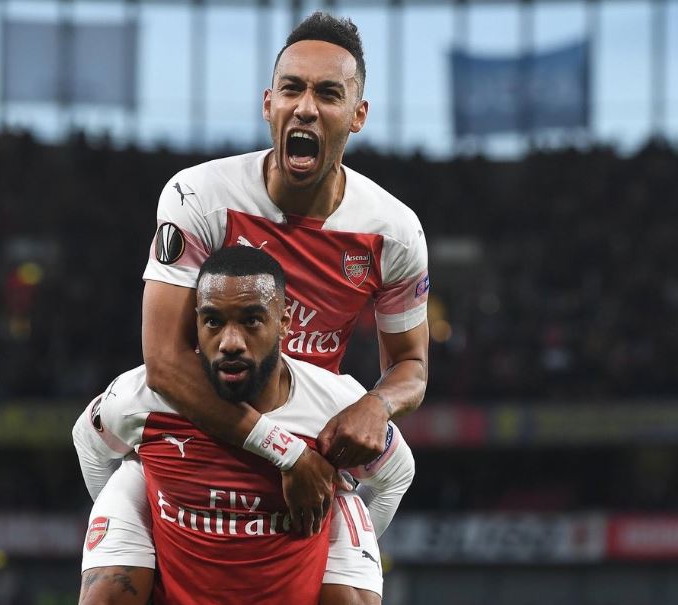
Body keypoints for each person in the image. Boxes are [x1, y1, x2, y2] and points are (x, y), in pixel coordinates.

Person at [74, 9, 429, 602]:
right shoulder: (201, 196)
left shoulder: (392, 231)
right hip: (200, 421)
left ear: (358, 115)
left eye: (328, 94)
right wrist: (281, 455)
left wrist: (377, 404)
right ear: (269, 104)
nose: (305, 107)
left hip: (308, 419)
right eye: (292, 89)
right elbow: (164, 362)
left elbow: (412, 367)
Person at [75, 247, 414, 605]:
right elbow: (87, 440)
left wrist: (335, 535)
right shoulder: (142, 396)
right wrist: (135, 529)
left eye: (251, 321)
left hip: (293, 587)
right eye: (213, 322)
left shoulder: (336, 407)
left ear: (284, 322)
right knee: (107, 588)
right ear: (196, 323)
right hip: (172, 584)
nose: (230, 343)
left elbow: (397, 474)